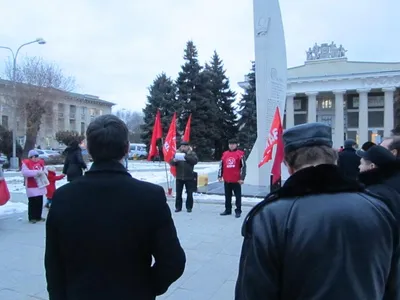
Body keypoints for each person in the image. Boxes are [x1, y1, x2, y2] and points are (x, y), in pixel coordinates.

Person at [235, 122, 400, 300]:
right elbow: (393, 287)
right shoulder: (379, 209)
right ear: (335, 159)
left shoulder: (270, 217)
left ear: (288, 165)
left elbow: (253, 292)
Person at [45, 114, 185, 300]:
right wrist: (145, 287)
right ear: (126, 149)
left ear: (89, 149)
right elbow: (173, 262)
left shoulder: (63, 197)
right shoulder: (149, 196)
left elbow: (53, 264)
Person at [218, 139, 246, 218]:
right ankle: (228, 210)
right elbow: (221, 166)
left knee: (238, 196)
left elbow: (243, 167)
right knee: (227, 196)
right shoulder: (225, 154)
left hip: (236, 179)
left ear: (236, 145)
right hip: (227, 179)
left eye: (233, 144)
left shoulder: (240, 154)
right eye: (230, 144)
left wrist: (242, 178)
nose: (232, 145)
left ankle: (238, 210)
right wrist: (219, 176)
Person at [170, 141, 198, 213]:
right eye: (182, 146)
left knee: (189, 193)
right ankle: (178, 207)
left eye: (185, 146)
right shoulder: (177, 153)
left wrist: (186, 157)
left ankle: (189, 207)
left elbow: (195, 161)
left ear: (188, 147)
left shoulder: (192, 153)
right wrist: (174, 161)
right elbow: (171, 162)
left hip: (189, 177)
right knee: (178, 193)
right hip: (179, 177)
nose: (183, 148)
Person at [21, 150, 47, 224]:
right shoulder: (26, 163)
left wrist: (44, 173)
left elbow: (45, 170)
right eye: (34, 157)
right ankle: (32, 217)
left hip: (40, 184)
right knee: (33, 202)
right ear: (30, 157)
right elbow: (25, 172)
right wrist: (36, 172)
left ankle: (38, 216)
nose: (36, 158)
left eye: (37, 156)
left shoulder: (40, 163)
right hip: (31, 185)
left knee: (39, 201)